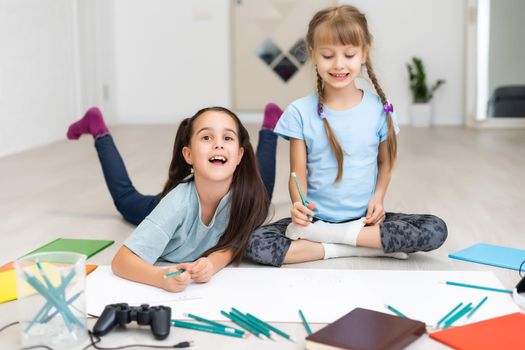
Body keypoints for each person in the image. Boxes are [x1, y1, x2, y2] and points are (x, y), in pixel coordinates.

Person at [245, 5, 447, 267]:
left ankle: (333, 241)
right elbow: (298, 174)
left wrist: (378, 198)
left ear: (364, 53)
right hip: (316, 222)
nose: (339, 64)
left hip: (365, 222)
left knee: (435, 229)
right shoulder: (300, 112)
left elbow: (386, 163)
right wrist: (298, 205)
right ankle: (366, 247)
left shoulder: (379, 110)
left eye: (349, 54)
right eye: (328, 55)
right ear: (313, 54)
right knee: (254, 244)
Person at [67, 106, 279, 291]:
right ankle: (99, 131)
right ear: (188, 155)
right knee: (126, 199)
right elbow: (121, 261)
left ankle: (271, 127)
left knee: (262, 195)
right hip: (172, 206)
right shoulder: (174, 207)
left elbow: (235, 242)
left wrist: (212, 264)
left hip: (225, 194)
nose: (218, 145)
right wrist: (160, 278)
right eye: (207, 137)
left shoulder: (246, 196)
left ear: (240, 155)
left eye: (227, 138)